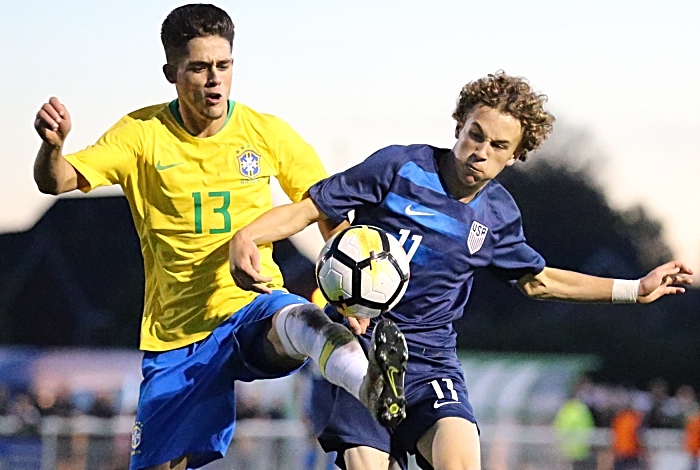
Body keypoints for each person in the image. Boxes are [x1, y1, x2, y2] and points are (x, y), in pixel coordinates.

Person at [230, 71, 693, 470]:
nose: (481, 151)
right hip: (359, 349)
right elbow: (309, 209)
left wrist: (635, 288)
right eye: (475, 134)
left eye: (498, 145)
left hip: (431, 360)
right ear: (459, 125)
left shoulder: (498, 215)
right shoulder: (399, 166)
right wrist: (249, 236)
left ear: (514, 155)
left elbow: (539, 280)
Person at [32, 5, 407, 470]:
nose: (214, 80)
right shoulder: (140, 135)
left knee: (302, 320)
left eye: (223, 66)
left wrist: (353, 291)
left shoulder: (266, 133)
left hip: (250, 309)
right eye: (199, 68)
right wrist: (53, 147)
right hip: (177, 335)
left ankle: (372, 384)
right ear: (172, 72)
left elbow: (324, 207)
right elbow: (57, 181)